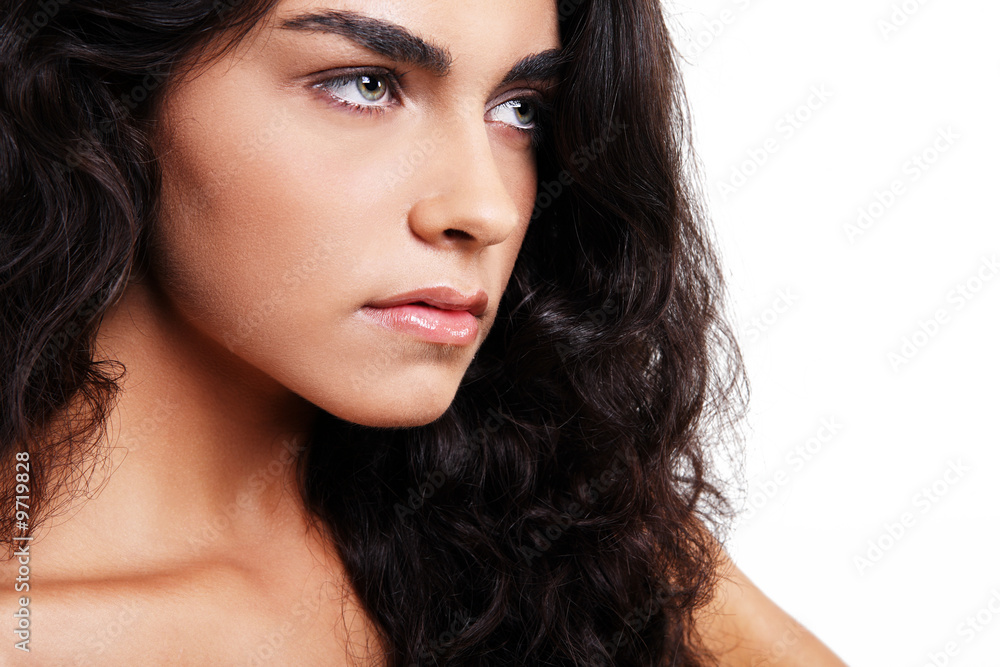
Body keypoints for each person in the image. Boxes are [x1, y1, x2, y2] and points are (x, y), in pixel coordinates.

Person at [0, 0, 847, 664]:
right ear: (107, 100)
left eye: (520, 110)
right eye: (366, 84)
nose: (482, 206)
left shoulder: (562, 533)